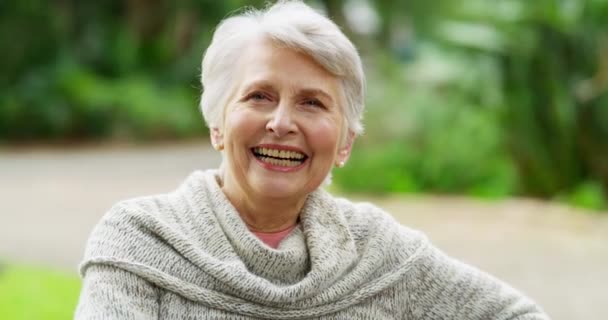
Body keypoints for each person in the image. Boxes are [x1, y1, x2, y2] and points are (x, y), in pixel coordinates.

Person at [75, 1, 550, 319]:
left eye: (312, 103)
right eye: (259, 96)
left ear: (345, 143)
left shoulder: (379, 253)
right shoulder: (141, 240)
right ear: (217, 123)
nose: (282, 122)